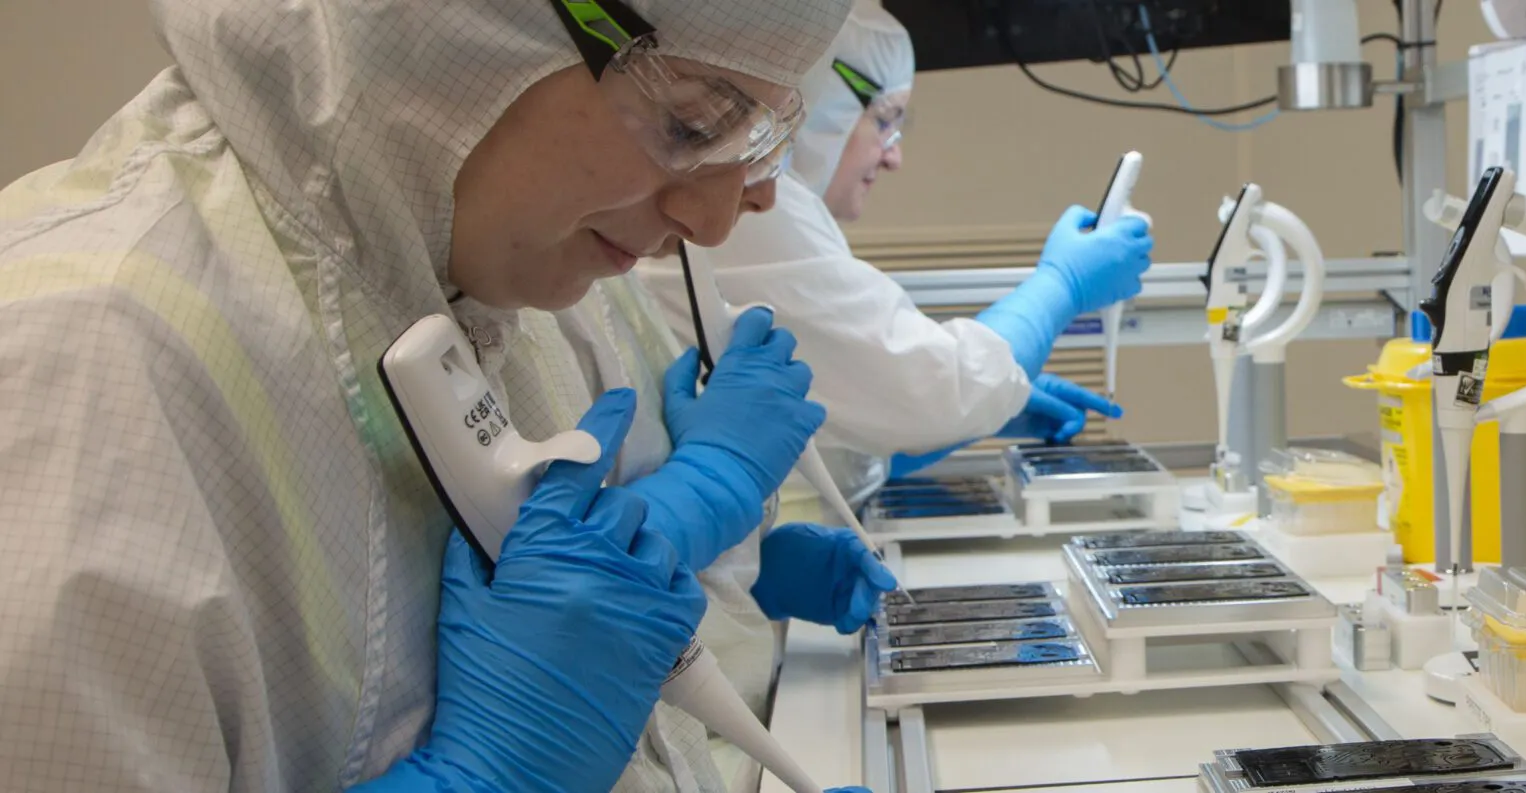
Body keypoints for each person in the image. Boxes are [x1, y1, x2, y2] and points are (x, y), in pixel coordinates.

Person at [0, 1, 888, 791]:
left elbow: (571, 627)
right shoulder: (85, 365)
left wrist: (726, 561)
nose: (716, 220)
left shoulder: (497, 264)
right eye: (691, 126)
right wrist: (486, 776)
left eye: (754, 139)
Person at [636, 0, 1155, 502]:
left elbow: (825, 437)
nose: (894, 157)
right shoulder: (757, 215)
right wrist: (1063, 284)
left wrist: (964, 419)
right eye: (885, 119)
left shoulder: (773, 207)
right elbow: (937, 392)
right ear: (826, 105)